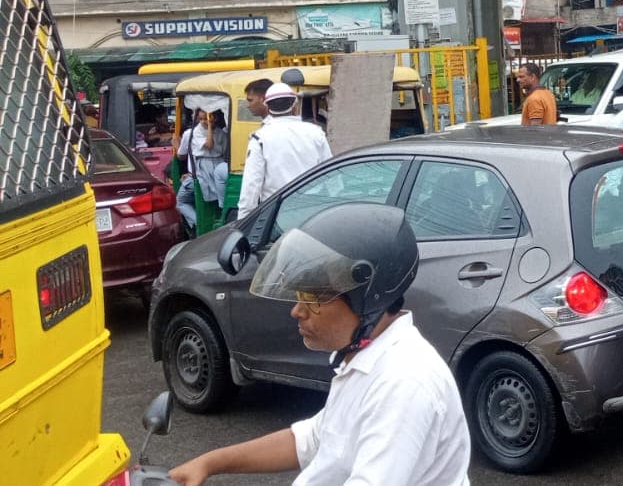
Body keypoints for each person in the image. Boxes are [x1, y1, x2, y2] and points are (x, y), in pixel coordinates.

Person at [168, 204, 470, 486]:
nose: (296, 311)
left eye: (312, 298)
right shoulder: (365, 359)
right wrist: (208, 463)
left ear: (367, 299)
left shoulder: (404, 383)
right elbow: (312, 441)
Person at [237, 83, 333, 218]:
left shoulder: (259, 138)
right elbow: (331, 178)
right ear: (295, 106)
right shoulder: (316, 133)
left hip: (277, 215)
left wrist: (243, 224)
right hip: (312, 213)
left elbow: (251, 188)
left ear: (267, 107)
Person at [191, 109, 229, 214]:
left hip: (219, 162)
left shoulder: (221, 133)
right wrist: (209, 128)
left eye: (206, 119)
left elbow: (225, 151)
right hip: (204, 163)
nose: (203, 121)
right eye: (201, 119)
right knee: (209, 192)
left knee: (221, 191)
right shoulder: (197, 131)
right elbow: (209, 145)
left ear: (215, 118)